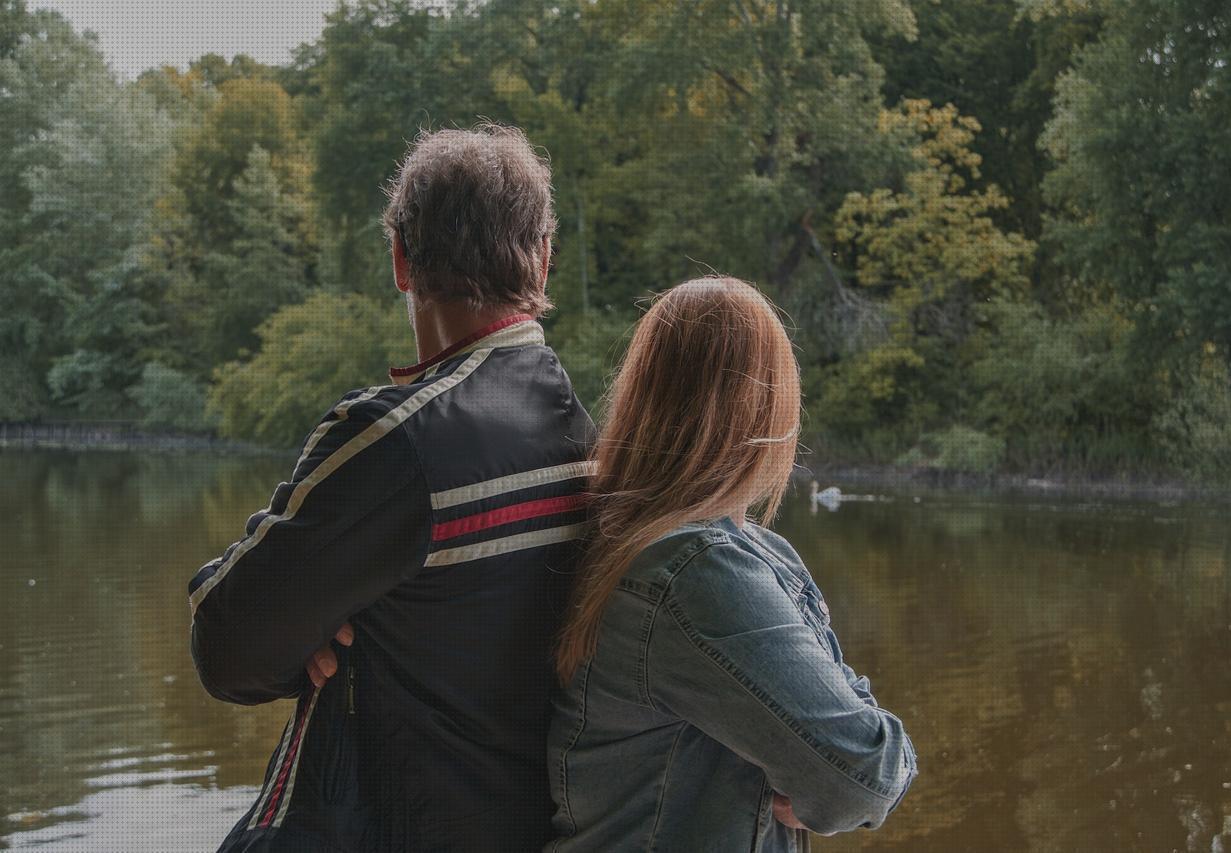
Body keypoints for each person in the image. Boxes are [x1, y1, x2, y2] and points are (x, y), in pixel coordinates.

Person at [188, 123, 596, 852]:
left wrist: (292, 610)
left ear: (401, 259)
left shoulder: (392, 441)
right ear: (544, 258)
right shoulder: (594, 447)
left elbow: (226, 644)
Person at [547, 277, 918, 851]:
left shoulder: (633, 538)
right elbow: (861, 775)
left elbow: (841, 751)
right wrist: (841, 751)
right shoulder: (696, 574)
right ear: (768, 406)